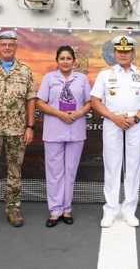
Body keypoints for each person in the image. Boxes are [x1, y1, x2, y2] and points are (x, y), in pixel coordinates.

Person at [90, 35, 140, 228]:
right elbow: (95, 101)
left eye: (126, 51)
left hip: (135, 122)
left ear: (133, 53)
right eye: (119, 51)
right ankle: (110, 210)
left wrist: (136, 118)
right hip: (113, 122)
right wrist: (114, 118)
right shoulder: (105, 74)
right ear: (114, 53)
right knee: (112, 166)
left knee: (133, 166)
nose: (123, 54)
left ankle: (129, 210)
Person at [0, 30, 37, 229]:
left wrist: (29, 126)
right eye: (4, 45)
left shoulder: (25, 71)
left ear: (16, 46)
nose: (7, 48)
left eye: (11, 44)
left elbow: (30, 100)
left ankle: (13, 208)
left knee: (14, 171)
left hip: (17, 131)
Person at [35, 45, 92, 227]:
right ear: (57, 61)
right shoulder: (49, 78)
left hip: (75, 129)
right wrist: (59, 114)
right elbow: (39, 103)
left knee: (70, 171)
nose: (65, 61)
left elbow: (90, 102)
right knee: (54, 173)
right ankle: (55, 210)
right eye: (62, 58)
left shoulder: (81, 79)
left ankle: (67, 209)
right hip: (54, 129)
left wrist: (77, 114)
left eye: (69, 58)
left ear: (74, 61)